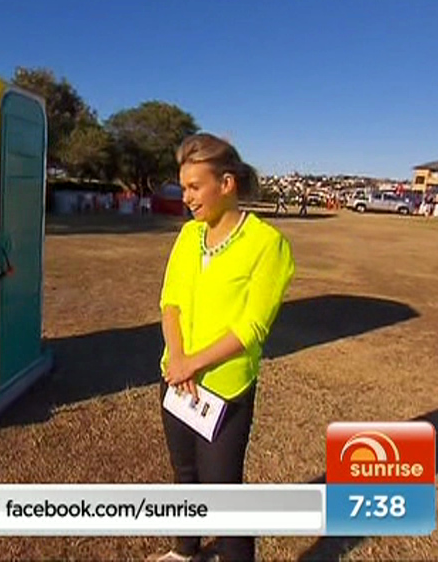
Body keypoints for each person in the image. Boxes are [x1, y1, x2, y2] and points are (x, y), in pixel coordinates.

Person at [149, 133, 295, 562]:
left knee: (224, 491)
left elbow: (252, 326)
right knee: (185, 474)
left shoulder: (267, 244)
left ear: (226, 183)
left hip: (225, 389)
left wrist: (195, 363)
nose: (186, 198)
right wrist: (179, 361)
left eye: (195, 187)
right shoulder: (188, 236)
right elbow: (170, 303)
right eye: (184, 187)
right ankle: (184, 551)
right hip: (176, 381)